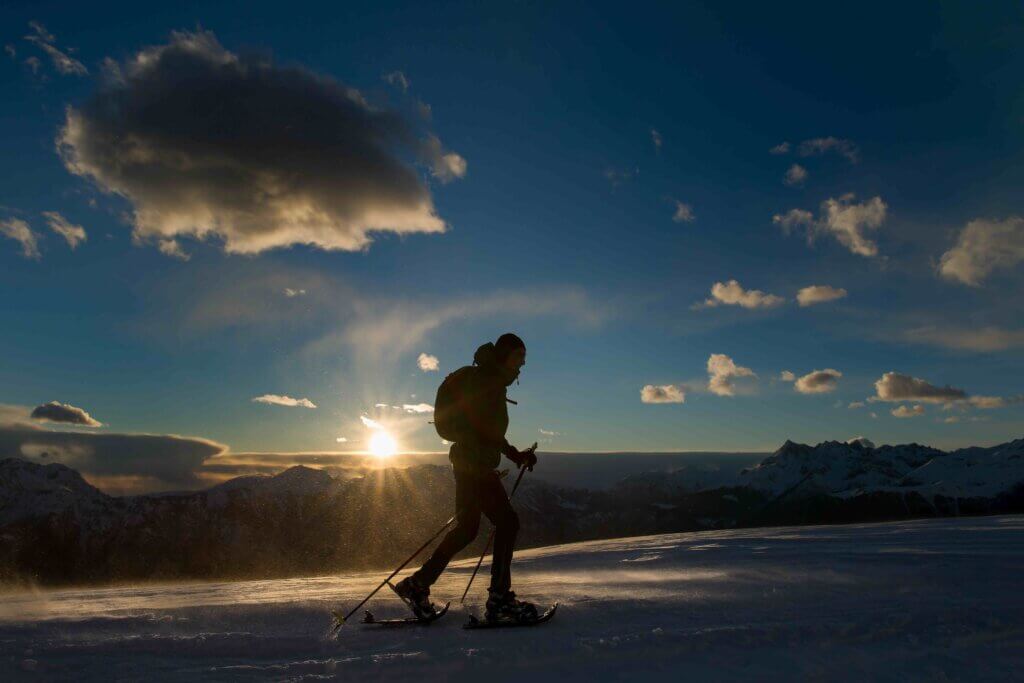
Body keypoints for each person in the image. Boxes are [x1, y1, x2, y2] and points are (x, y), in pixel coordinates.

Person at [394, 333, 539, 622]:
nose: (522, 363)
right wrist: (510, 454)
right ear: (504, 355)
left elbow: (487, 432)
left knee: (467, 529)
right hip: (475, 467)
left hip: (466, 464)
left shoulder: (487, 380)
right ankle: (499, 600)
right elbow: (485, 430)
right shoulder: (487, 382)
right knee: (507, 522)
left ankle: (417, 585)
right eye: (519, 357)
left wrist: (514, 455)